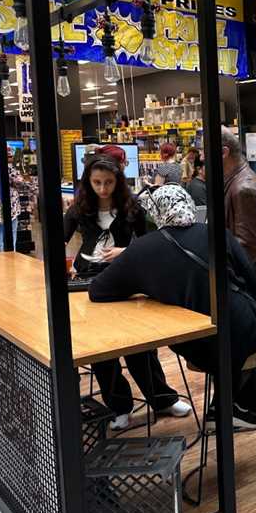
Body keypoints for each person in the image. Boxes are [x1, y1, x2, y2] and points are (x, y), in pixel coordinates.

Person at [89, 185, 256, 427]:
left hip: (195, 342)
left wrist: (145, 286)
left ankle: (226, 408)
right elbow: (254, 284)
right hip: (240, 331)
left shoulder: (141, 249)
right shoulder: (216, 234)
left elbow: (98, 290)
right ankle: (240, 406)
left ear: (157, 213)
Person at [65, 154, 191, 429]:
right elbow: (59, 239)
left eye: (108, 182)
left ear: (118, 180)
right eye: (97, 182)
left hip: (125, 276)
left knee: (140, 344)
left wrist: (126, 251)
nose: (102, 189)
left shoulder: (131, 206)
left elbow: (151, 243)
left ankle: (162, 399)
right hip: (87, 278)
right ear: (88, 181)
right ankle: (120, 407)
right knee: (101, 348)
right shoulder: (79, 208)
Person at [222, 127, 256, 284]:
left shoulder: (244, 189)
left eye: (205, 150)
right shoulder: (234, 181)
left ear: (224, 152)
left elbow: (247, 247)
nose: (202, 157)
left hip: (243, 285)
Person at [0, 136, 25, 252]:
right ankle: (9, 270)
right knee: (8, 249)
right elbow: (20, 182)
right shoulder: (4, 167)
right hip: (6, 212)